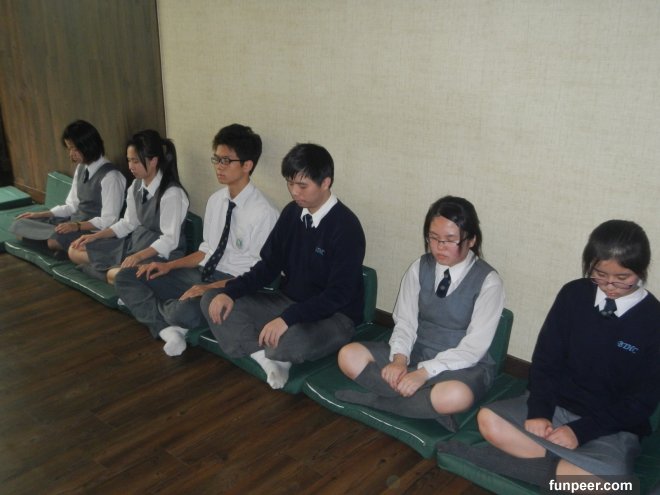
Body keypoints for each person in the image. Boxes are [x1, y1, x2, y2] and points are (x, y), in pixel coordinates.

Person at [439, 220, 660, 484]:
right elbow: (546, 360)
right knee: (489, 420)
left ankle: (500, 462)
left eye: (623, 278)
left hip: (611, 428)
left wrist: (579, 432)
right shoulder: (574, 294)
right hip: (557, 407)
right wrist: (540, 411)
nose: (609, 285)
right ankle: (563, 468)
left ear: (641, 270)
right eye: (600, 274)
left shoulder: (653, 320)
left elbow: (641, 402)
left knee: (608, 484)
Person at [201, 143, 366, 390]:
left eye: (302, 185)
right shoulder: (291, 214)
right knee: (212, 299)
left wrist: (287, 319)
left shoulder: (346, 227)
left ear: (325, 183)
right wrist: (230, 292)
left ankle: (271, 350)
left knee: (290, 341)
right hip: (288, 301)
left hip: (335, 316)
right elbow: (268, 266)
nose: (294, 192)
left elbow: (338, 295)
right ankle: (264, 358)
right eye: (290, 183)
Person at [335, 196, 504, 430]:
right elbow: (405, 321)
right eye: (433, 238)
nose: (439, 247)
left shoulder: (489, 281)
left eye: (450, 240)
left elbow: (473, 348)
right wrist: (399, 360)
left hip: (463, 366)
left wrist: (424, 373)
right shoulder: (420, 267)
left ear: (472, 239)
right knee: (348, 355)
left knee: (455, 395)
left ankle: (378, 401)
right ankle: (423, 406)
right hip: (417, 350)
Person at [114, 124, 278, 356]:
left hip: (229, 284)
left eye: (226, 161)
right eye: (216, 159)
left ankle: (162, 313)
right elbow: (205, 251)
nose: (219, 166)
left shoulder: (264, 213)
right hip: (200, 272)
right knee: (126, 277)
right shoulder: (216, 200)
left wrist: (207, 288)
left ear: (247, 165)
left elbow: (256, 275)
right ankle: (166, 328)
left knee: (183, 313)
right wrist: (168, 266)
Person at [68, 130, 189, 284]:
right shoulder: (136, 185)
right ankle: (112, 273)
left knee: (116, 275)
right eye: (129, 160)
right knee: (74, 251)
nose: (131, 166)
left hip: (160, 255)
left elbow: (169, 240)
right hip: (135, 244)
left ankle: (109, 272)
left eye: (135, 161)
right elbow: (128, 223)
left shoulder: (172, 193)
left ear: (153, 161)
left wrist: (138, 256)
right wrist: (95, 236)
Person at [10, 120, 126, 254]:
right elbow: (71, 206)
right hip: (72, 222)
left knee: (54, 240)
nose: (71, 154)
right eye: (69, 149)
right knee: (20, 223)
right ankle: (53, 242)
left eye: (74, 149)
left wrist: (76, 226)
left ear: (88, 146)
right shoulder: (81, 168)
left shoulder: (111, 177)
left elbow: (109, 221)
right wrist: (40, 214)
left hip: (91, 231)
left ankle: (55, 243)